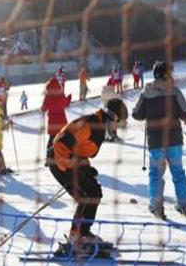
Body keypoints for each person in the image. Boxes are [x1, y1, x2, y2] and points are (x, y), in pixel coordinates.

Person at [48, 98, 128, 246]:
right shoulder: (89, 125)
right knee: (86, 195)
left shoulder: (99, 127)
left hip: (70, 160)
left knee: (94, 191)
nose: (118, 127)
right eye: (119, 123)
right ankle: (76, 236)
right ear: (112, 117)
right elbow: (61, 143)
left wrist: (85, 168)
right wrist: (73, 169)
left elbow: (80, 150)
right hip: (59, 160)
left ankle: (83, 231)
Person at [132, 61, 186, 219]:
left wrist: (143, 96)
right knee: (178, 172)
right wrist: (184, 118)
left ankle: (157, 206)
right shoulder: (175, 92)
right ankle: (184, 204)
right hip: (174, 140)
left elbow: (137, 114)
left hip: (156, 141)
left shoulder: (147, 93)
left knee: (156, 174)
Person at [41, 77, 71, 163]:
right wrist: (69, 98)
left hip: (52, 122)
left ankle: (49, 160)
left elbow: (43, 108)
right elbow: (66, 103)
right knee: (63, 141)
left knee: (51, 141)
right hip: (62, 122)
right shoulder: (61, 94)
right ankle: (65, 157)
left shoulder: (48, 96)